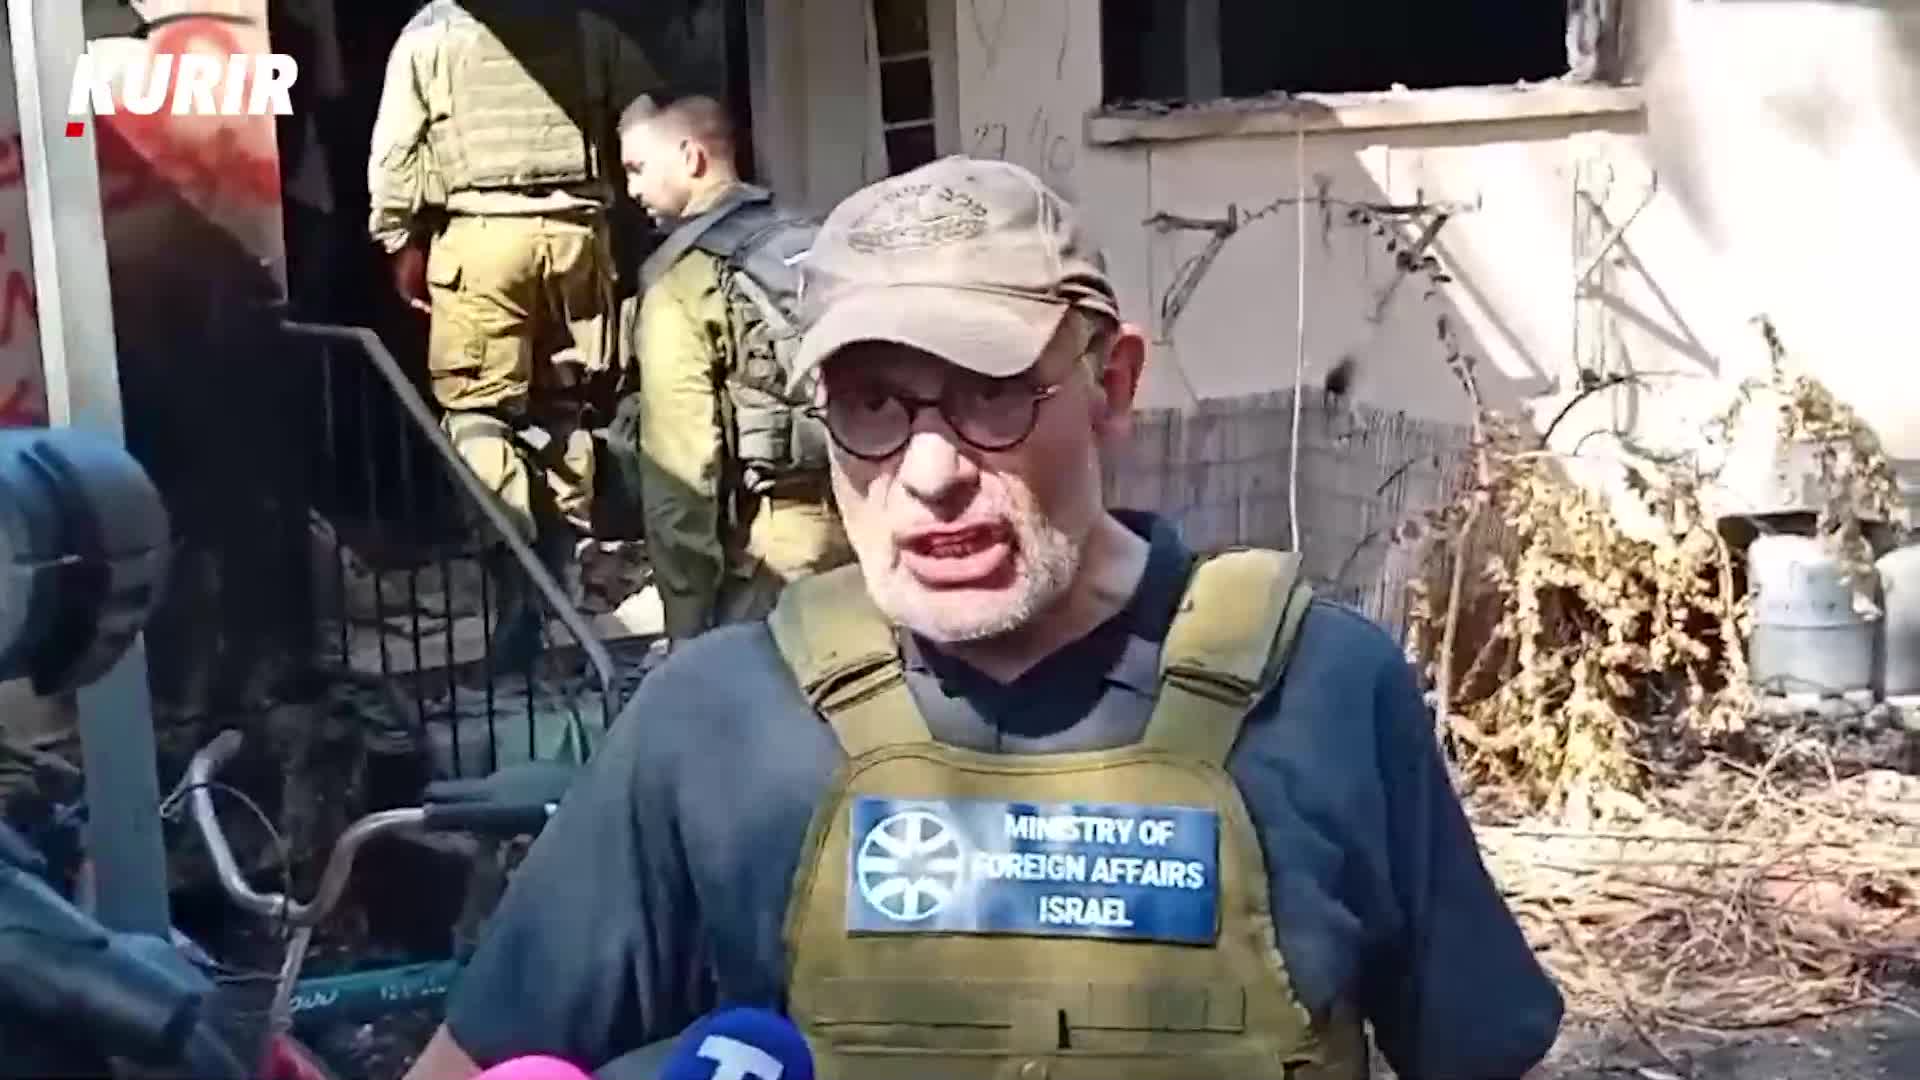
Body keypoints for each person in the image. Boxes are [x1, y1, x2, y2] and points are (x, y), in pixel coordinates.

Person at [401, 157, 1564, 1080]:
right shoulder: (713, 725)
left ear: (1113, 386)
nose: (929, 473)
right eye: (871, 403)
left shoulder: (1323, 692)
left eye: (994, 393)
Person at [367, 0, 657, 665]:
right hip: (578, 238)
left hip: (482, 237)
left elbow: (396, 149)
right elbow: (647, 115)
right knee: (563, 409)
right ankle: (570, 576)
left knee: (477, 413)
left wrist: (399, 240)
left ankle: (519, 580)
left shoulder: (435, 30)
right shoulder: (583, 24)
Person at [615, 95, 852, 647]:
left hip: (774, 555)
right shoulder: (812, 236)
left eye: (637, 168)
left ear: (691, 158)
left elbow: (680, 475)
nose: (630, 190)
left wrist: (687, 627)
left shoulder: (684, 281)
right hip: (862, 524)